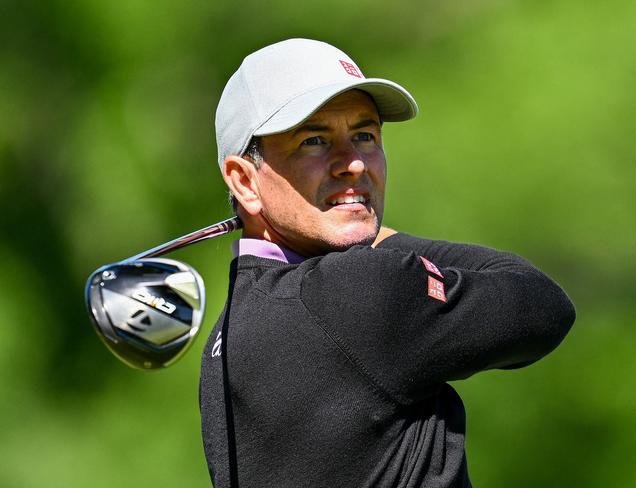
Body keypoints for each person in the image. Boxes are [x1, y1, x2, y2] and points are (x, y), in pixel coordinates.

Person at [200, 38, 575, 488]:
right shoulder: (360, 290)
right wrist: (378, 237)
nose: (354, 163)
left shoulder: (223, 340)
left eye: (364, 135)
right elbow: (541, 304)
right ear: (244, 181)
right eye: (314, 140)